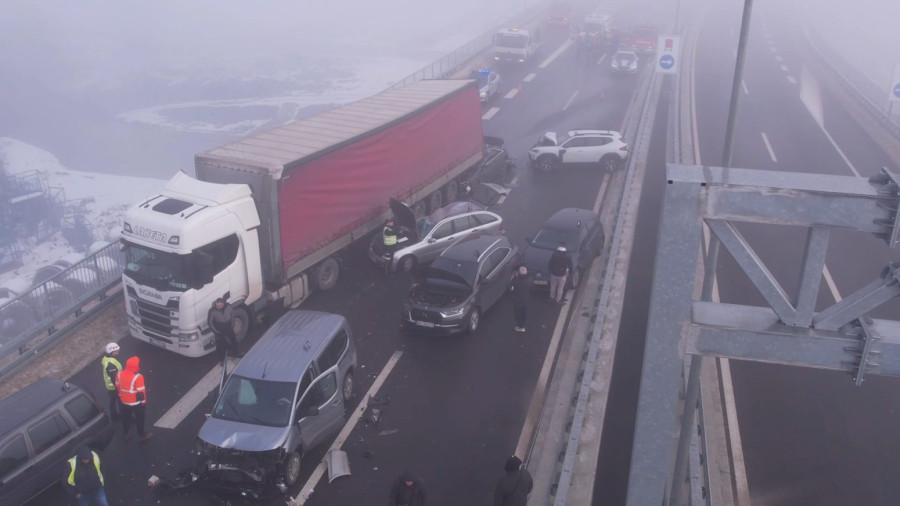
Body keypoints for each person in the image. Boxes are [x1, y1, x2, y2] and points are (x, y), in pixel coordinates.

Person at [116, 356, 153, 442]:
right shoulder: (138, 377)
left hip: (124, 402)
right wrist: (143, 402)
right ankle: (142, 435)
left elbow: (117, 386)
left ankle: (126, 433)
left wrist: (120, 396)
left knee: (126, 418)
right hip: (136, 404)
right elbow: (141, 392)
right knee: (140, 419)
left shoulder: (119, 373)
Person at [100, 343, 122, 419]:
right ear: (113, 352)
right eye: (117, 350)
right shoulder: (111, 364)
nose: (118, 351)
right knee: (120, 402)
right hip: (114, 387)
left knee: (112, 401)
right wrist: (119, 388)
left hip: (110, 387)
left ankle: (114, 416)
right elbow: (114, 377)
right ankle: (123, 416)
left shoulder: (107, 359)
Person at [510, 266, 532, 332]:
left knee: (517, 314)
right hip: (525, 299)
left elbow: (511, 283)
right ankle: (522, 325)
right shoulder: (529, 279)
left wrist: (515, 276)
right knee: (523, 313)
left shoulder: (517, 280)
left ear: (519, 273)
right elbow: (532, 288)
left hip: (517, 300)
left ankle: (520, 326)